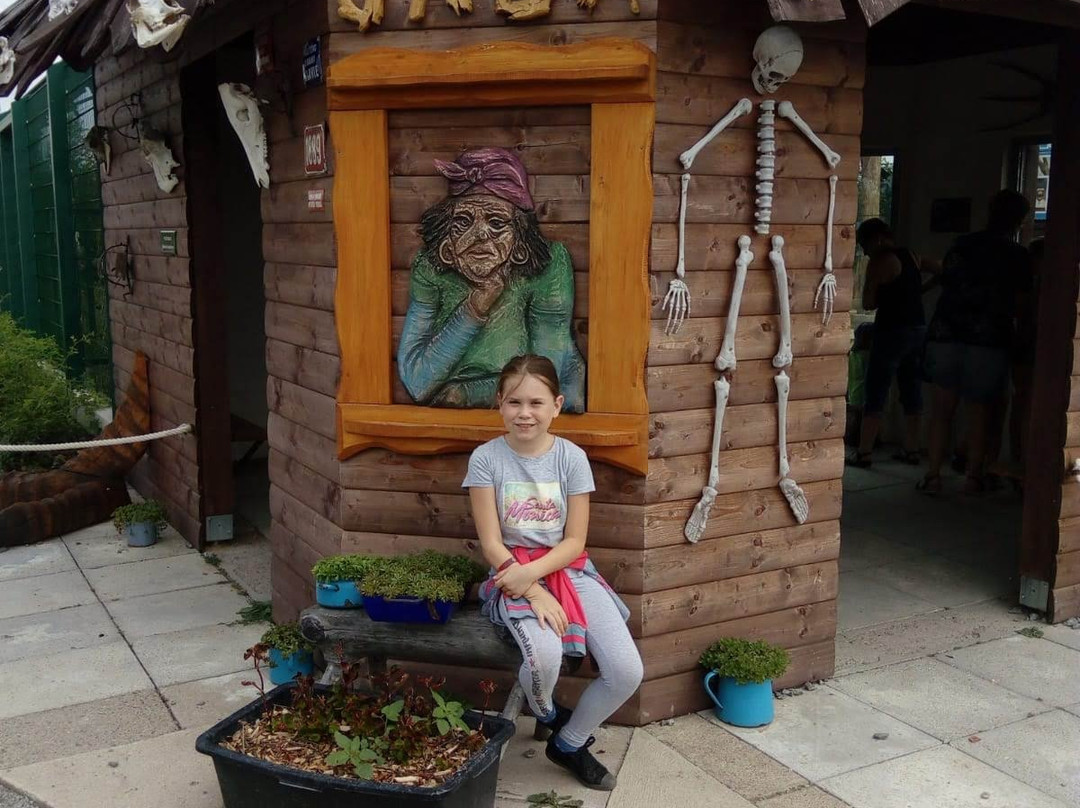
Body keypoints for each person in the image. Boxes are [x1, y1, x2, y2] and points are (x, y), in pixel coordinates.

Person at [463, 354, 642, 791]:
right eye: (514, 402)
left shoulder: (571, 458)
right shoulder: (486, 459)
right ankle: (549, 715)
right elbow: (492, 543)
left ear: (557, 406)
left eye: (536, 403)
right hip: (511, 572)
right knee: (543, 659)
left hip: (567, 568)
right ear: (500, 403)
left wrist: (536, 578)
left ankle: (568, 743)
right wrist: (533, 590)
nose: (525, 413)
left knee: (626, 671)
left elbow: (574, 541)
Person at [398, 148, 586, 412]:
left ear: (519, 242)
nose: (480, 234)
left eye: (496, 222)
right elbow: (417, 382)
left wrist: (466, 393)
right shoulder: (429, 266)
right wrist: (475, 307)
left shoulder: (551, 263)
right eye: (463, 221)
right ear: (447, 245)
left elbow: (545, 378)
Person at [918, 190, 1032, 495]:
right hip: (989, 339)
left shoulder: (963, 244)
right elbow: (1022, 303)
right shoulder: (1018, 255)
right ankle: (972, 476)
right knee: (979, 411)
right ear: (1020, 220)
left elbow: (947, 278)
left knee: (942, 410)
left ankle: (933, 475)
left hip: (947, 332)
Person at [847, 218, 930, 468]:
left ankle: (864, 452)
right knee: (912, 391)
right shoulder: (912, 256)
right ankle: (912, 449)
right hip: (917, 328)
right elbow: (942, 269)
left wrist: (876, 286)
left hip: (891, 330)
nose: (864, 251)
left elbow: (868, 303)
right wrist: (919, 290)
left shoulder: (880, 262)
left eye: (864, 245)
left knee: (876, 390)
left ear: (877, 240)